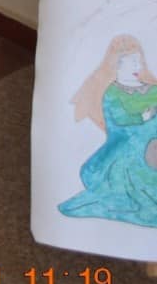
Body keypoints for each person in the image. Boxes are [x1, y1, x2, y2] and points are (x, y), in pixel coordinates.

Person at [58, 33, 157, 226]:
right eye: (132, 62)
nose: (138, 66)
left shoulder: (153, 89)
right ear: (116, 64)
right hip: (128, 149)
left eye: (139, 61)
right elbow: (117, 127)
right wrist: (142, 119)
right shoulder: (112, 93)